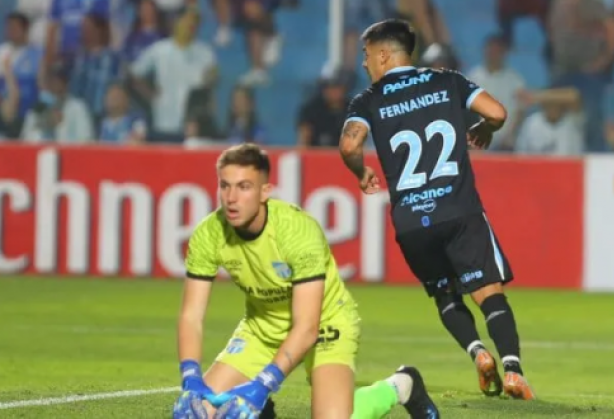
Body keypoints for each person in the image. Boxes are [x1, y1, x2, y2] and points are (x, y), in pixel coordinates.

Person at [338, 19, 534, 400]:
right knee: (488, 291)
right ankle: (512, 369)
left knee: (444, 295)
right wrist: (484, 130)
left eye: (365, 56)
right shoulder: (447, 80)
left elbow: (349, 147)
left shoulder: (368, 99)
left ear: (383, 54)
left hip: (412, 220)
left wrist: (361, 171)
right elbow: (497, 113)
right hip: (458, 209)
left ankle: (478, 354)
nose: (364, 64)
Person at [172, 143, 439, 419]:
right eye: (225, 186)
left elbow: (307, 327)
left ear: (265, 191)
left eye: (244, 187)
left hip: (325, 323)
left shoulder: (298, 231)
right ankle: (262, 413)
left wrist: (263, 384)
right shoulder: (208, 233)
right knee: (199, 413)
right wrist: (191, 378)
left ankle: (400, 386)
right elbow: (191, 315)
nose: (231, 198)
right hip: (262, 328)